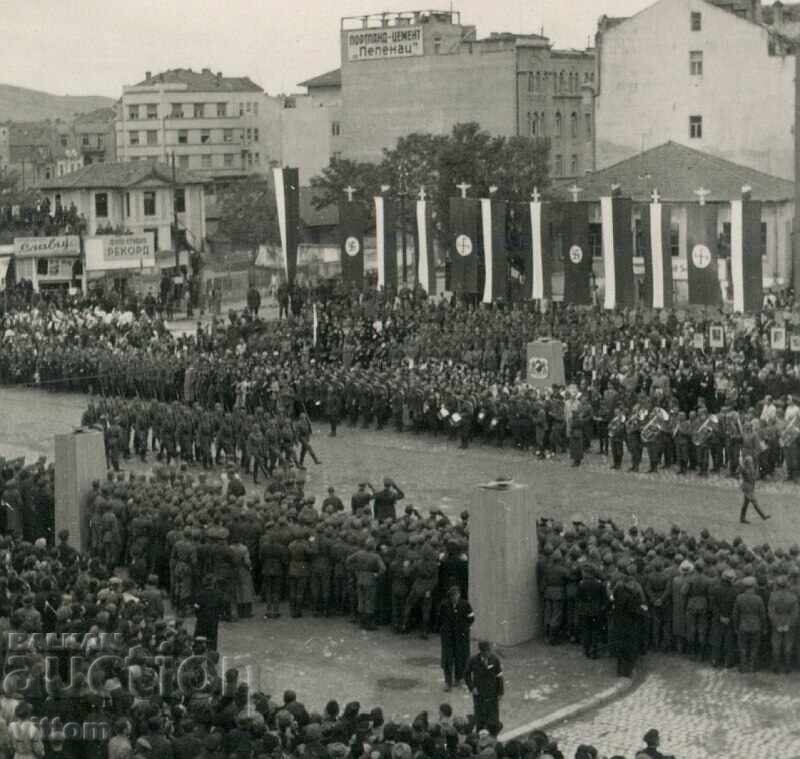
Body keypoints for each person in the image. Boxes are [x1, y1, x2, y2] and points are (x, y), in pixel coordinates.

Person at [438, 586, 475, 691]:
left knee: (461, 657)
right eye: (453, 595)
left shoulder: (465, 604)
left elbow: (471, 618)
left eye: (457, 595)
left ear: (459, 595)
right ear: (450, 596)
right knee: (447, 658)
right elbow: (440, 617)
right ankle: (448, 682)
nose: (455, 597)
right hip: (448, 636)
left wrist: (464, 628)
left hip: (461, 636)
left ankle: (459, 678)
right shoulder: (444, 605)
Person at [464, 641, 503, 732]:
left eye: (490, 650)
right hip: (479, 694)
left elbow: (499, 676)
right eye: (487, 651)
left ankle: (493, 734)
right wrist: (472, 687)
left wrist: (500, 692)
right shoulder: (473, 660)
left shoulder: (494, 659)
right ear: (482, 651)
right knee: (480, 718)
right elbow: (467, 674)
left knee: (493, 719)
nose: (489, 653)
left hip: (492, 693)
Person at [193, 576, 226, 650]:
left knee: (199, 637)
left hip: (202, 619)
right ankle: (212, 653)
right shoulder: (219, 594)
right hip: (213, 619)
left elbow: (196, 607)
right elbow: (222, 607)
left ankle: (198, 651)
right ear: (213, 584)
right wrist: (218, 615)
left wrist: (199, 616)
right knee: (213, 638)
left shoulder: (200, 594)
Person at [739, 454, 771, 524]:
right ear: (747, 463)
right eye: (750, 462)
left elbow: (755, 477)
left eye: (752, 462)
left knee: (745, 504)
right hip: (747, 488)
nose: (751, 463)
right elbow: (751, 477)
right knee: (754, 502)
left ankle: (742, 518)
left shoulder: (750, 468)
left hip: (750, 488)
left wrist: (757, 468)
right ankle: (763, 516)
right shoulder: (745, 469)